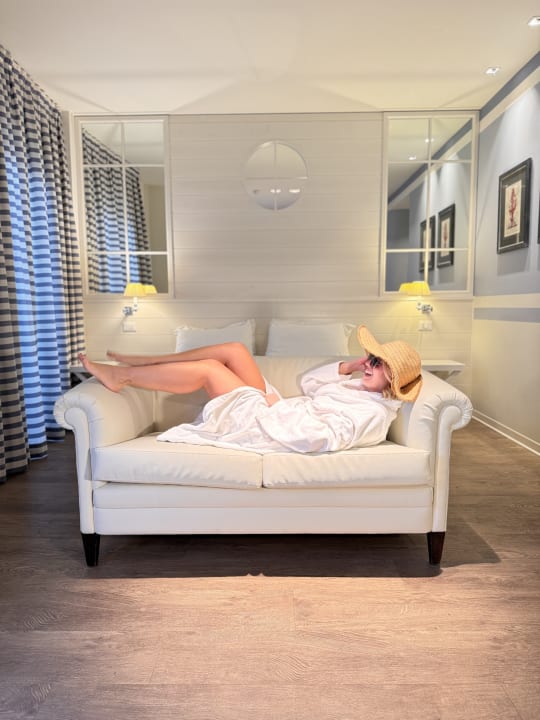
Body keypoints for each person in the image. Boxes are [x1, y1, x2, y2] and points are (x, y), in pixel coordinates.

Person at [78, 325, 422, 454]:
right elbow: (310, 385)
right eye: (370, 358)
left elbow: (321, 438)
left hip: (272, 426)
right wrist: (348, 367)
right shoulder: (361, 387)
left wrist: (275, 409)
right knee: (235, 350)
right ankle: (147, 362)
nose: (369, 365)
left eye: (377, 364)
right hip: (280, 410)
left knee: (210, 370)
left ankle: (124, 376)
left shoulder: (372, 413)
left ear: (393, 381)